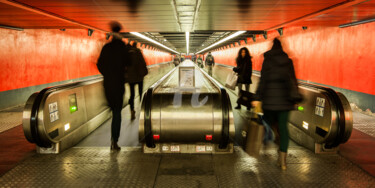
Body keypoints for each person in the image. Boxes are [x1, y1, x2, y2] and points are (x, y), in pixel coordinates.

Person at [252, 38, 301, 170]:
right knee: (284, 128)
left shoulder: (267, 61)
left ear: (272, 48)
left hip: (269, 101)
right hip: (285, 102)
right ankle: (283, 161)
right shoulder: (288, 61)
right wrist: (296, 98)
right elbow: (293, 81)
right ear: (282, 48)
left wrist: (257, 97)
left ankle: (274, 136)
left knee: (268, 122)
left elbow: (263, 81)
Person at [97, 21, 130, 151]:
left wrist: (107, 74)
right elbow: (129, 62)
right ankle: (114, 141)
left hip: (108, 84)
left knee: (113, 107)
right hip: (118, 84)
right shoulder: (122, 47)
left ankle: (109, 108)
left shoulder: (106, 48)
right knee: (117, 112)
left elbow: (99, 64)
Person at [125, 42, 148, 120]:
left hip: (131, 78)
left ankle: (132, 110)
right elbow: (143, 63)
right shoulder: (138, 53)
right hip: (139, 77)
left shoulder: (127, 54)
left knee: (132, 95)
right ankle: (142, 108)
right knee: (140, 92)